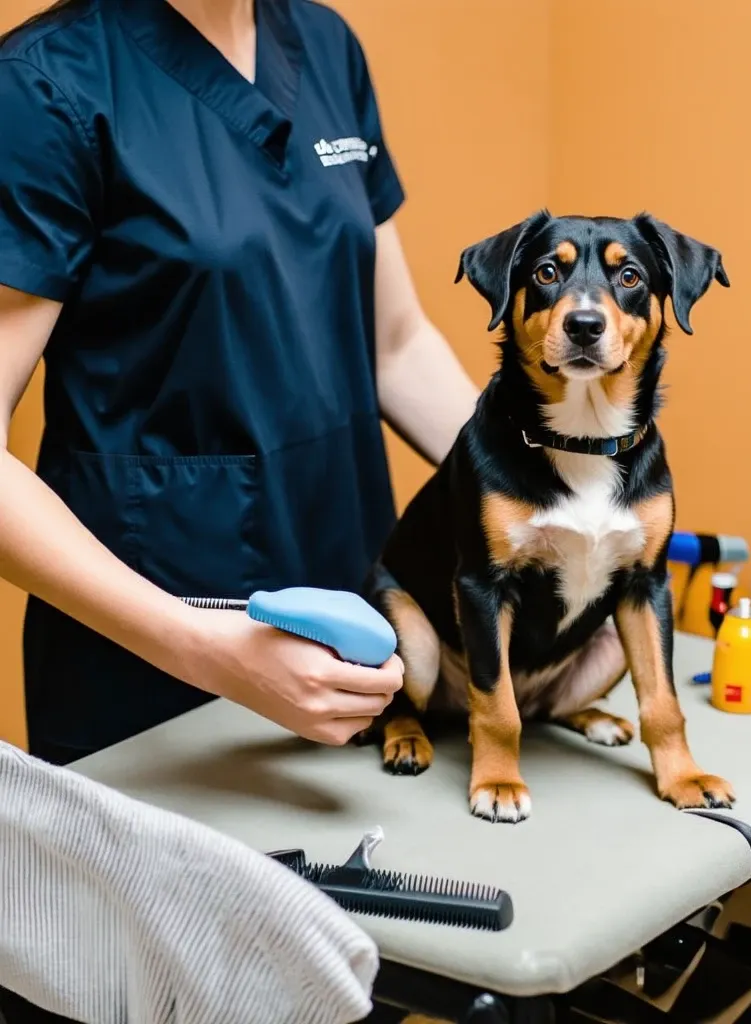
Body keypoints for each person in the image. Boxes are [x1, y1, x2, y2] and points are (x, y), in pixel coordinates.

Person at [0, 0, 479, 770]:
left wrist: (550, 489)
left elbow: (395, 344)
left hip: (357, 644)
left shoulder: (324, 46)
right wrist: (207, 651)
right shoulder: (43, 85)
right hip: (153, 677)